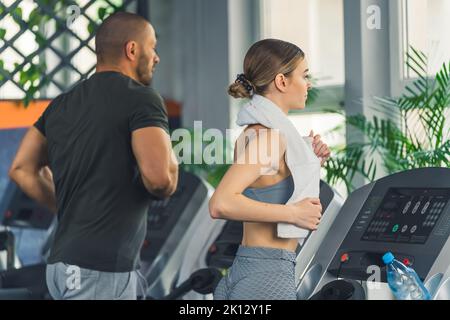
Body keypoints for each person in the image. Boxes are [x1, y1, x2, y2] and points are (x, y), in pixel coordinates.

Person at [8, 12, 178, 300]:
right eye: (153, 47)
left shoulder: (62, 104)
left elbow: (22, 168)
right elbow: (160, 179)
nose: (157, 57)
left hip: (61, 265)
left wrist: (68, 210)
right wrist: (171, 173)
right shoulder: (141, 98)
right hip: (100, 269)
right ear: (132, 49)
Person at [209, 39, 331, 300]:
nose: (308, 84)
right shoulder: (271, 139)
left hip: (247, 270)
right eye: (304, 75)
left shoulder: (250, 134)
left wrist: (305, 163)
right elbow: (220, 203)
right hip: (268, 278)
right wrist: (293, 213)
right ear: (282, 81)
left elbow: (266, 186)